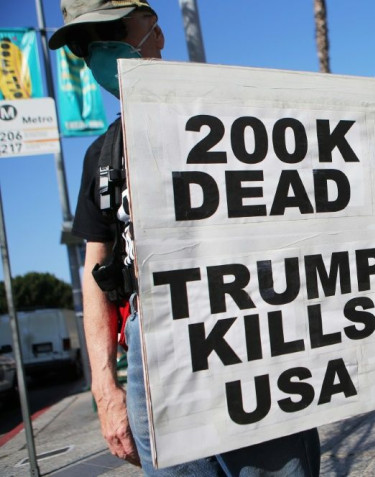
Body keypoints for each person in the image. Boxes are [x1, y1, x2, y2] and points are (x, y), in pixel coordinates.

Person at [49, 1, 320, 475]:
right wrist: (105, 389)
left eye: (110, 31)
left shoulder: (238, 120)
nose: (98, 52)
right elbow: (95, 274)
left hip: (243, 342)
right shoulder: (102, 156)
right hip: (149, 363)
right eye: (82, 45)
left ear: (156, 32)